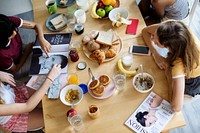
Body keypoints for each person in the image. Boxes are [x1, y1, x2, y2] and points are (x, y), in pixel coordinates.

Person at [142, 20, 200, 112]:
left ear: (169, 46)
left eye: (156, 43)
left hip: (194, 79)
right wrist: (155, 53)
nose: (152, 39)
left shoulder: (178, 65)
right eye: (153, 35)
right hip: (193, 61)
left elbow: (176, 107)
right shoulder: (175, 27)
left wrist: (169, 74)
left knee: (168, 97)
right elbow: (145, 31)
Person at [0, 64, 61, 132]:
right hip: (14, 118)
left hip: (16, 94)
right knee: (53, 116)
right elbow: (27, 106)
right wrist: (50, 78)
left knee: (54, 94)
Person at [0, 14, 51, 80]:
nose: (15, 33)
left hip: (19, 48)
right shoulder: (2, 55)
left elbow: (36, 25)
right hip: (14, 68)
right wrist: (27, 51)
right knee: (41, 61)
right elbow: (15, 69)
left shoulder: (7, 22)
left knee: (43, 49)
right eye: (10, 34)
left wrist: (41, 38)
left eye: (14, 28)